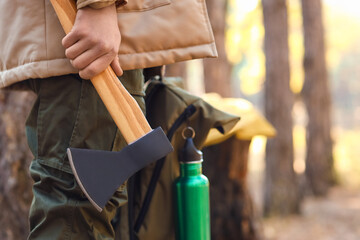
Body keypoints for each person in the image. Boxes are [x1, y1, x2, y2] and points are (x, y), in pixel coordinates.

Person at [0, 0, 216, 239]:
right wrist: (96, 5)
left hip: (110, 38)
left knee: (93, 211)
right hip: (92, 45)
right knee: (74, 211)